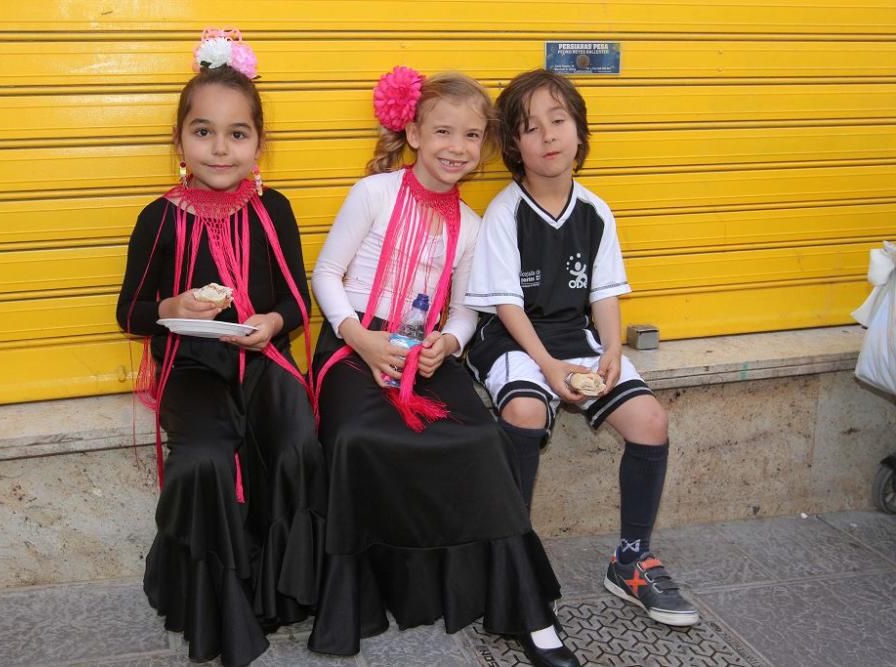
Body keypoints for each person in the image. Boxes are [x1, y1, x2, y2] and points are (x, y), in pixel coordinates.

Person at [308, 66, 580, 667]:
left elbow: (463, 311)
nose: (456, 149)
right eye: (443, 133)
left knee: (483, 441)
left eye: (470, 137)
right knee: (356, 437)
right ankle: (355, 600)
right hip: (355, 342)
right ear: (413, 133)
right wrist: (359, 339)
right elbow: (325, 274)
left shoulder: (474, 227)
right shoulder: (373, 194)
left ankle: (527, 608)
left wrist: (450, 345)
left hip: (425, 351)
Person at [115, 28, 325, 667]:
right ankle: (216, 601)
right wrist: (171, 310)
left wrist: (271, 321)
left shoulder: (275, 210)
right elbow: (129, 312)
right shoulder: (161, 216)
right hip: (194, 368)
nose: (220, 147)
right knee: (205, 459)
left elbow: (298, 303)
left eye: (238, 133)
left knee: (296, 442)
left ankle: (283, 594)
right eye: (203, 131)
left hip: (262, 358)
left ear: (259, 143)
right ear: (179, 140)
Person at [464, 69, 700, 628]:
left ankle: (631, 560)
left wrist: (612, 351)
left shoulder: (595, 210)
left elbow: (605, 294)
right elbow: (505, 307)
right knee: (524, 408)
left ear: (578, 130)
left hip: (577, 337)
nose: (547, 136)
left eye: (558, 121)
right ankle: (513, 554)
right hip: (512, 338)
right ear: (512, 147)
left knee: (650, 420)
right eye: (529, 128)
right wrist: (549, 370)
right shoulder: (505, 211)